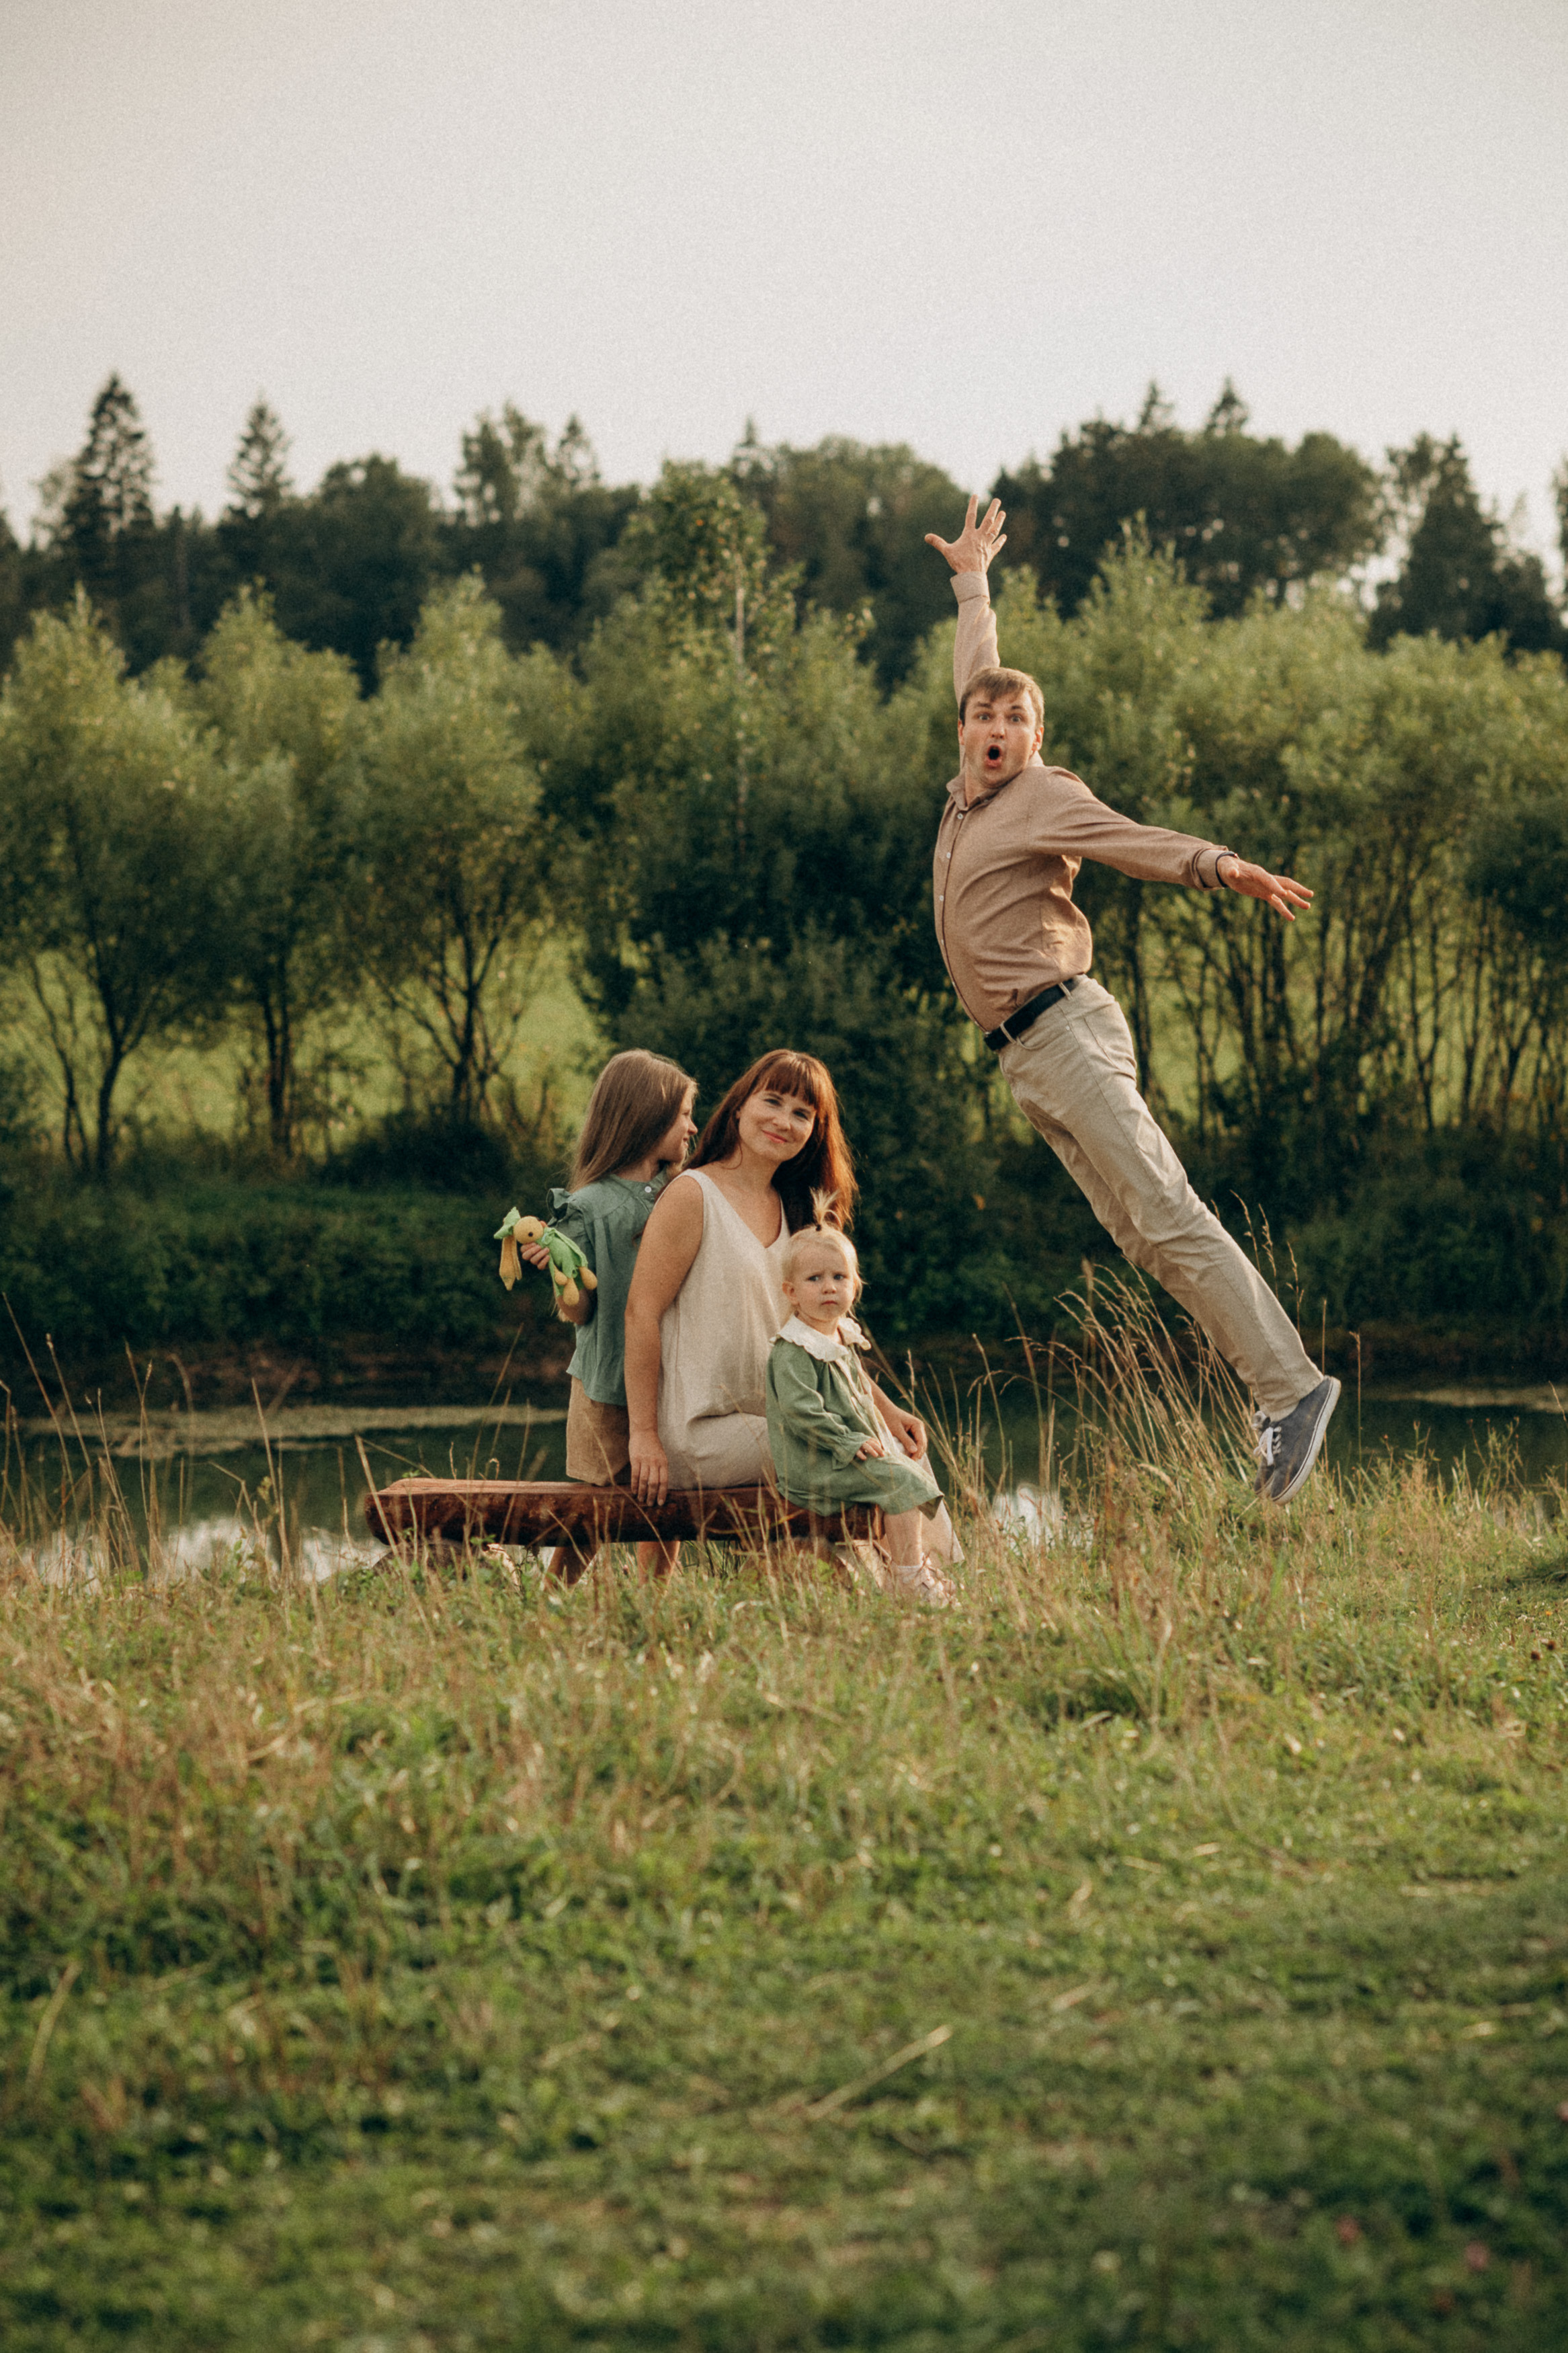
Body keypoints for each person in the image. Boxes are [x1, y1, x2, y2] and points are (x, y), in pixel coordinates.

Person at [923, 495, 1339, 1503]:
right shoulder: (966, 787)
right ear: (967, 727)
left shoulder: (1043, 795)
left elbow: (1134, 840)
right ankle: (1273, 1398)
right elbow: (974, 664)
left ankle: (1290, 1392)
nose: (997, 725)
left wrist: (1221, 865)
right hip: (1025, 1057)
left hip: (1064, 1029)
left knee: (1165, 1207)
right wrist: (971, 580)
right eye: (986, 715)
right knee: (1141, 1235)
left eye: (1015, 718)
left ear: (1035, 738)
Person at [623, 1049, 930, 1509]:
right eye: (772, 1101)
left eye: (802, 1114)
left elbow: (818, 1343)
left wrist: (887, 1410)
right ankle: (908, 1577)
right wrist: (644, 1436)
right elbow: (640, 1313)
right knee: (863, 1453)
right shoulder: (693, 1195)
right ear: (740, 1105)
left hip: (789, 1420)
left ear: (813, 1133)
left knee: (899, 1446)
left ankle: (920, 1577)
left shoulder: (798, 1212)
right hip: (703, 1433)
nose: (784, 1121)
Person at [520, 1048, 697, 1577]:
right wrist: (562, 1274)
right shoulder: (588, 1206)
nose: (692, 1127)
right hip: (604, 1387)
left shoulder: (683, 1193)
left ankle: (653, 1605)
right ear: (648, 1117)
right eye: (684, 1114)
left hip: (672, 1379)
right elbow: (578, 1313)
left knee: (663, 1505)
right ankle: (556, 1600)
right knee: (592, 1512)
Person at [766, 1207, 951, 1606]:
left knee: (907, 1466)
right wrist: (849, 1441)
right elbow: (803, 1413)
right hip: (813, 1465)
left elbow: (860, 1396)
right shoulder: (795, 1350)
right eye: (814, 1279)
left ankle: (911, 1567)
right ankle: (908, 1579)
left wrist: (877, 1433)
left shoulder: (840, 1338)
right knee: (898, 1482)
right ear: (791, 1292)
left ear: (855, 1286)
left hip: (843, 1453)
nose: (829, 1287)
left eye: (839, 1277)